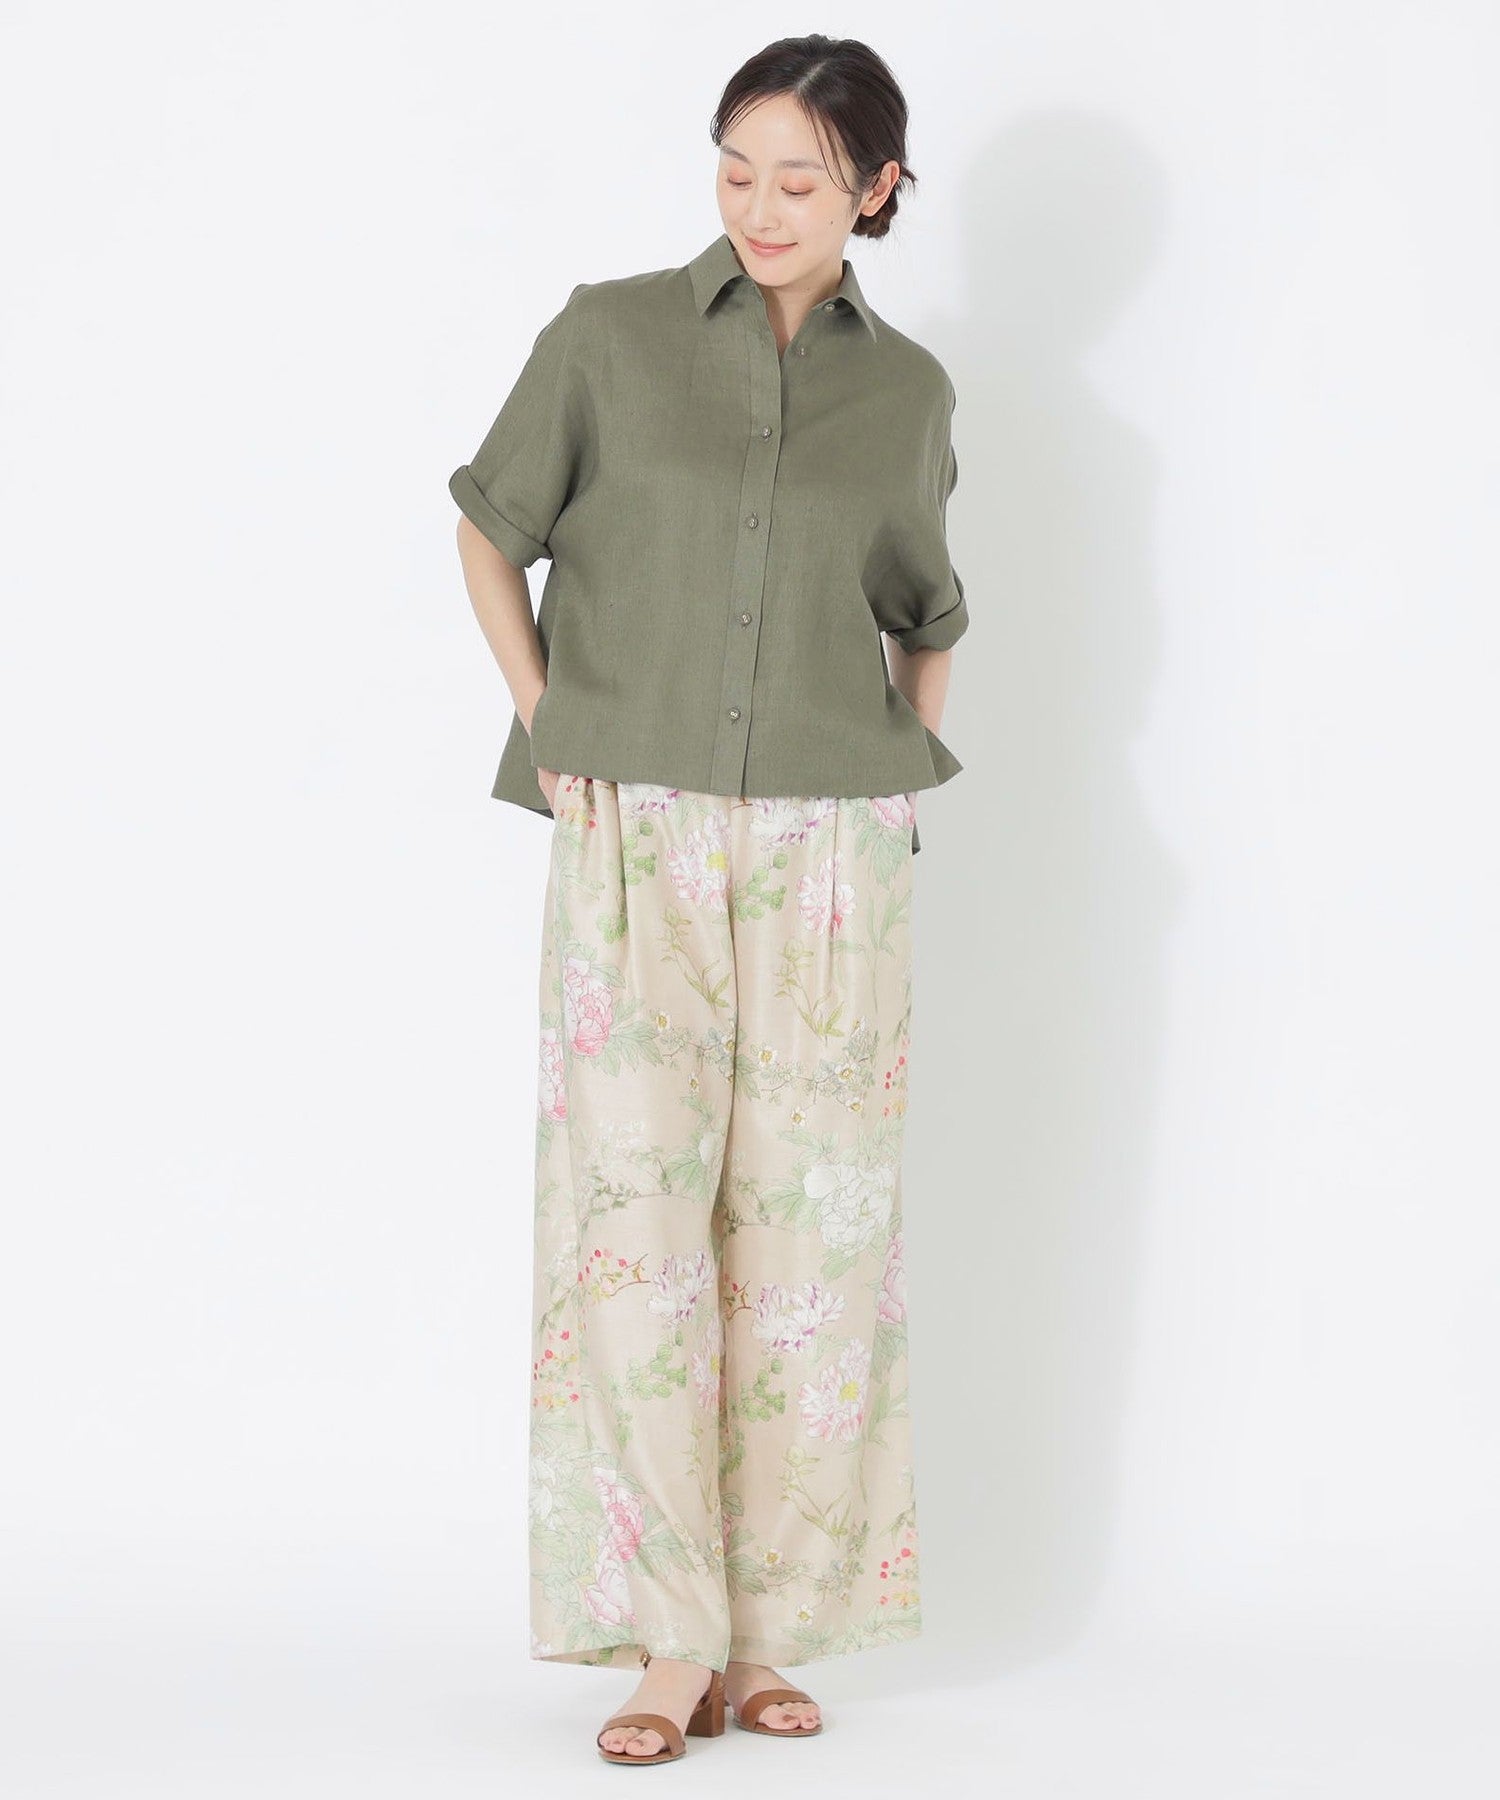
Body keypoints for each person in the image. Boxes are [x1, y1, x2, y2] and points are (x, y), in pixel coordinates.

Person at [448, 33, 969, 1766]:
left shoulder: (910, 394)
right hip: (634, 840)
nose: (762, 204)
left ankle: (771, 1639)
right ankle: (670, 1642)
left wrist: (893, 795)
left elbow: (929, 613)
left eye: (802, 177)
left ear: (875, 190)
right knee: (639, 1239)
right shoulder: (606, 336)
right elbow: (488, 527)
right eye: (738, 168)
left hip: (831, 858)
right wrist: (550, 720)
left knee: (815, 1246)